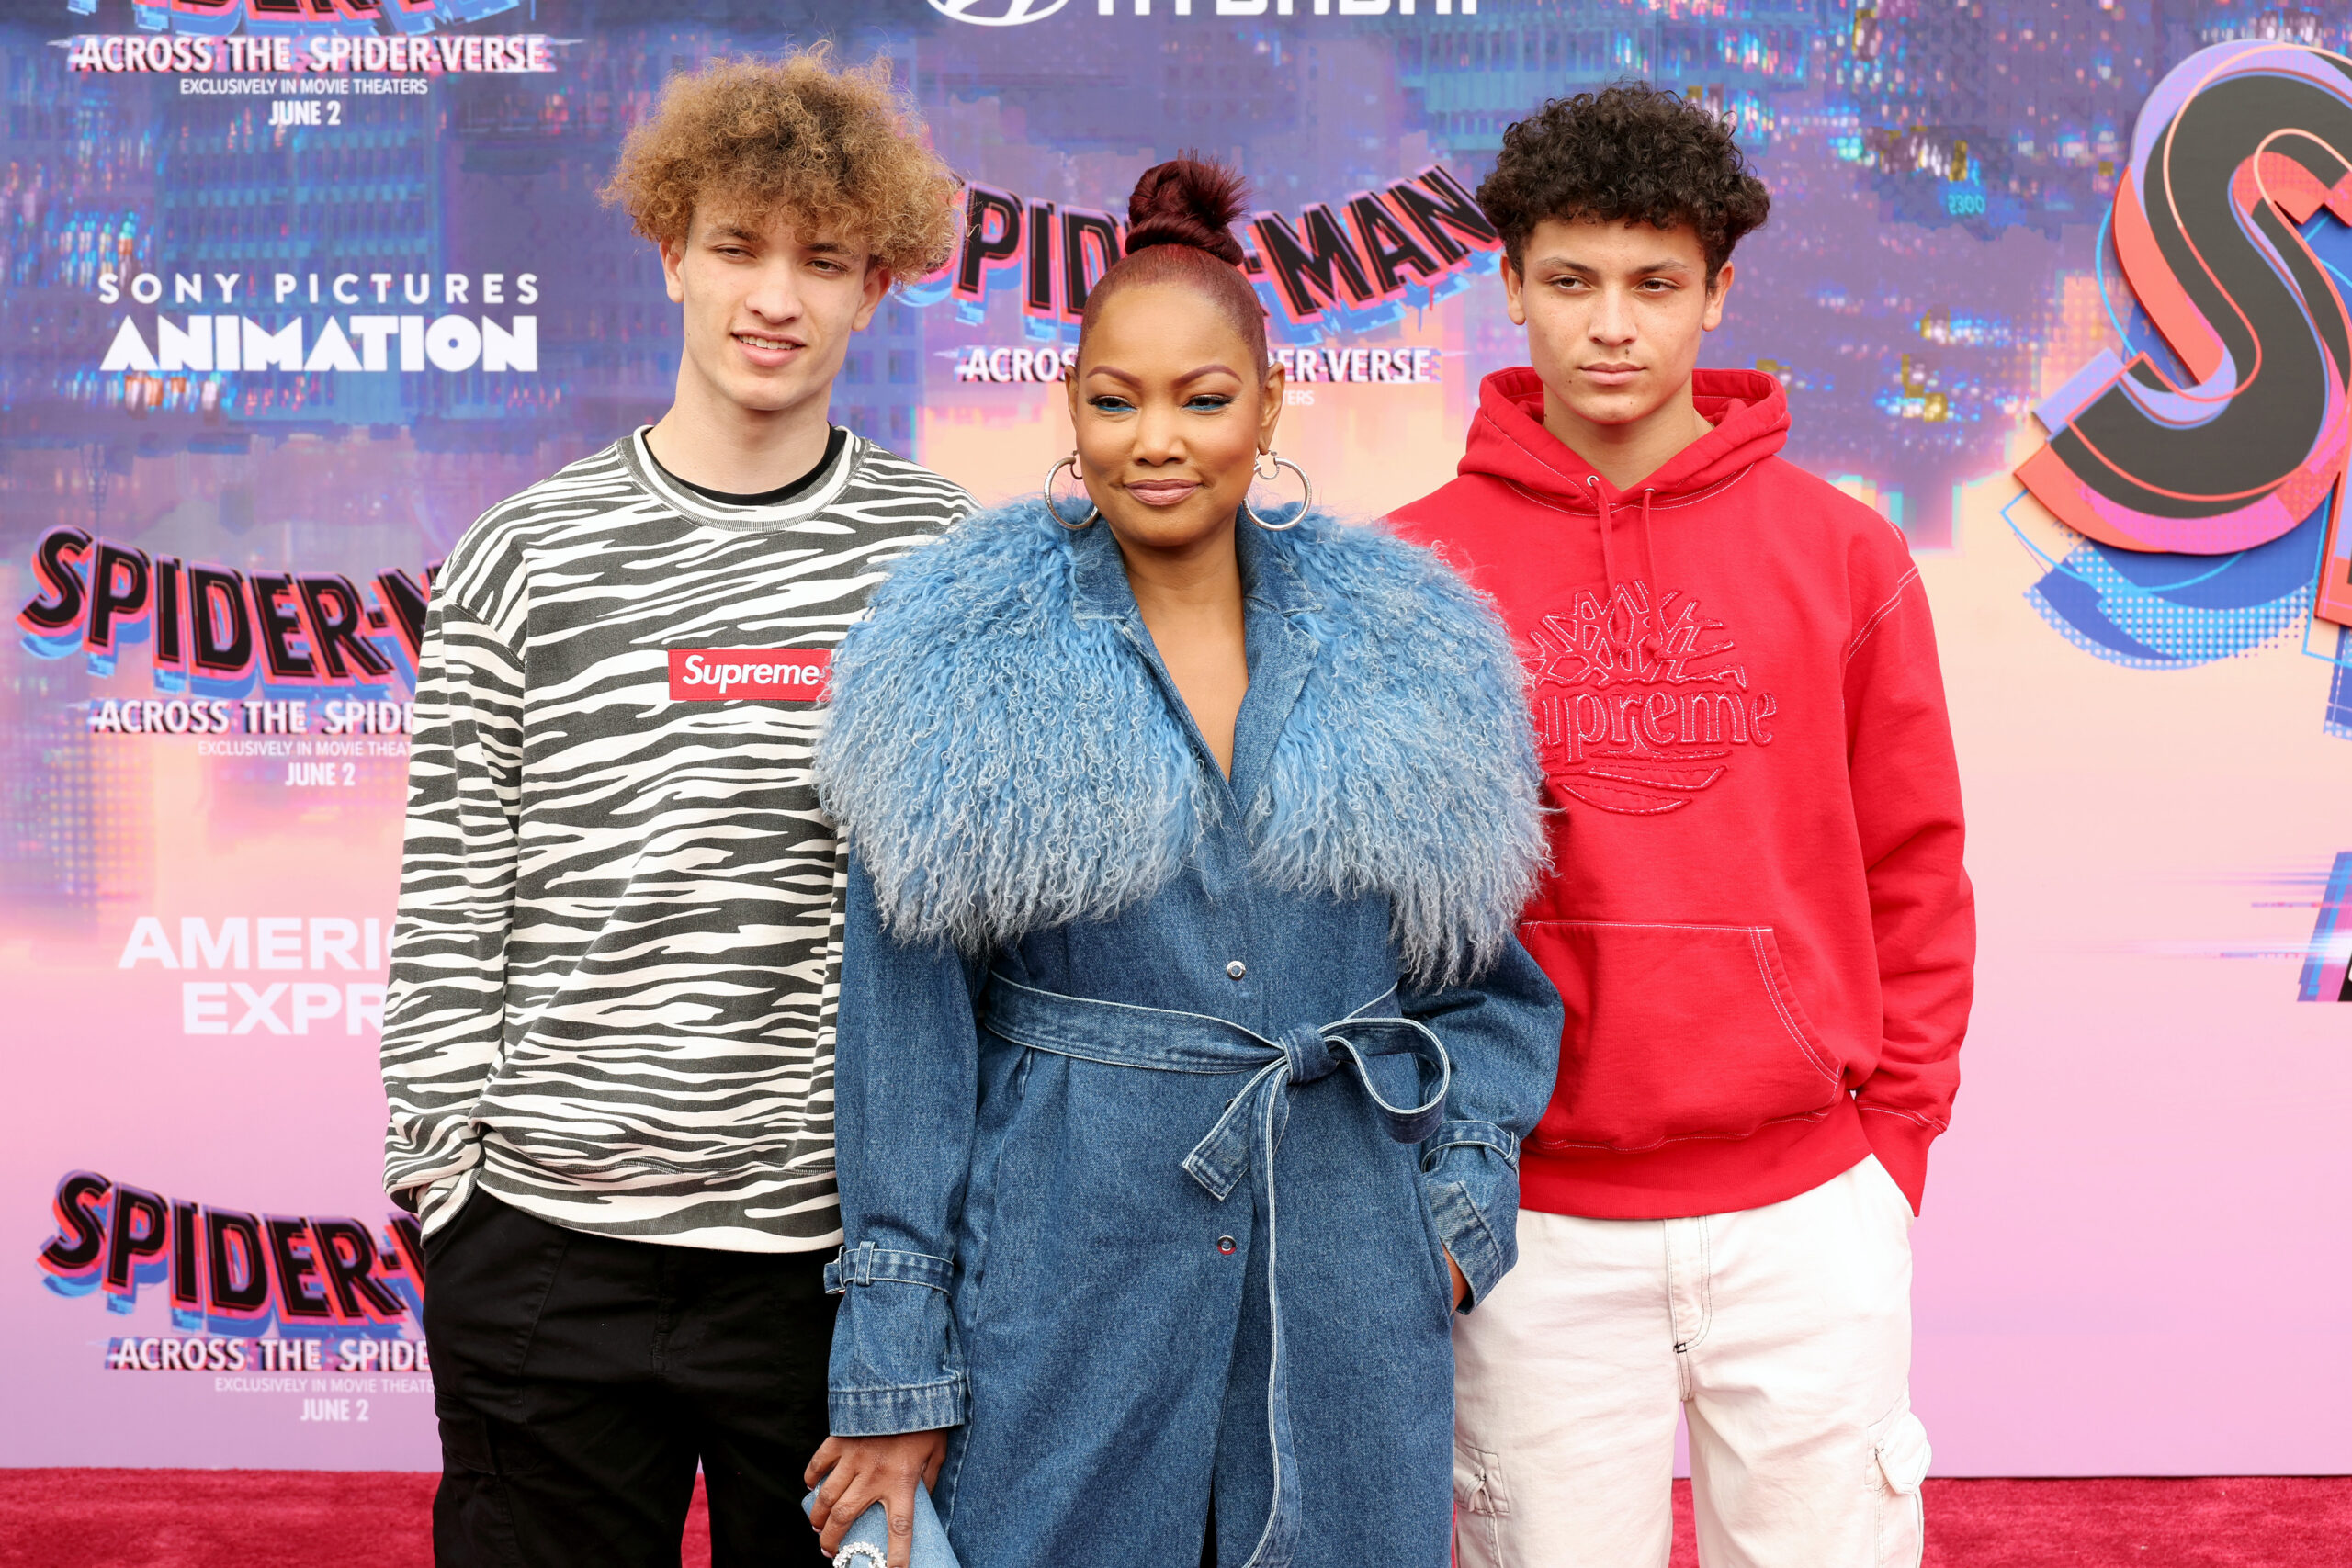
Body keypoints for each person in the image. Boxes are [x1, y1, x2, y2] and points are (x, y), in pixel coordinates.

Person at [798, 158, 1563, 1568]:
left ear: (1270, 404)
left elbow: (1488, 990)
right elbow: (901, 1047)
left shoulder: (1413, 647)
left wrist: (1455, 1219)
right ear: (1069, 405)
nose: (1157, 441)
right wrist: (896, 1363)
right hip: (1063, 1289)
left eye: (1203, 400)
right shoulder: (958, 654)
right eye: (1116, 400)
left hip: (1348, 1290)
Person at [378, 48, 967, 1568]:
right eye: (738, 247)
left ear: (876, 286)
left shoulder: (947, 562)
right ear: (669, 254)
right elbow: (455, 890)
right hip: (542, 1254)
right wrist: (443, 1186)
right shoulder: (524, 552)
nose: (775, 296)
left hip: (828, 1274)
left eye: (822, 260)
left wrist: (925, 1266)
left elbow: (985, 927)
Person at [1390, 83, 1975, 1568]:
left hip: (1807, 1211)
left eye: (1655, 285)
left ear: (1718, 292)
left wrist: (1892, 1151)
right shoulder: (1410, 572)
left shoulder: (1845, 555)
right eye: (1571, 281)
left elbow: (1915, 869)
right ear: (1509, 284)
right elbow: (1363, 913)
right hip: (1528, 1221)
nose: (1611, 326)